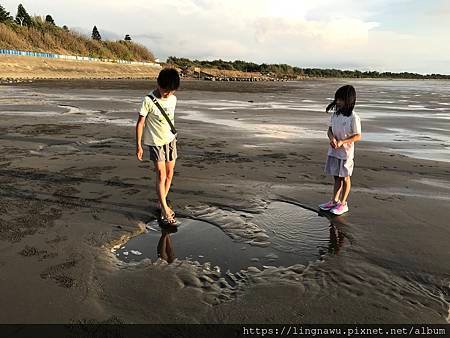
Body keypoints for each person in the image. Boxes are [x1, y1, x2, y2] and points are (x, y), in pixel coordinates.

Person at [136, 68, 180, 224]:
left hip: (170, 140)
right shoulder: (148, 100)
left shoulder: (173, 100)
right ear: (158, 84)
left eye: (171, 91)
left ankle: (162, 203)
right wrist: (139, 145)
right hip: (155, 143)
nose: (167, 94)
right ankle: (165, 209)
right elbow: (140, 123)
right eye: (165, 90)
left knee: (169, 174)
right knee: (161, 175)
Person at [319, 85, 362, 215]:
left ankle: (343, 203)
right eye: (337, 99)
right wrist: (332, 139)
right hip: (334, 151)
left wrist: (343, 141)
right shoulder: (336, 115)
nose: (337, 102)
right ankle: (334, 201)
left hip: (346, 153)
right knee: (336, 177)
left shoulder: (353, 117)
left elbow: (358, 135)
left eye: (341, 99)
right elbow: (330, 130)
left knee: (345, 178)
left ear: (348, 100)